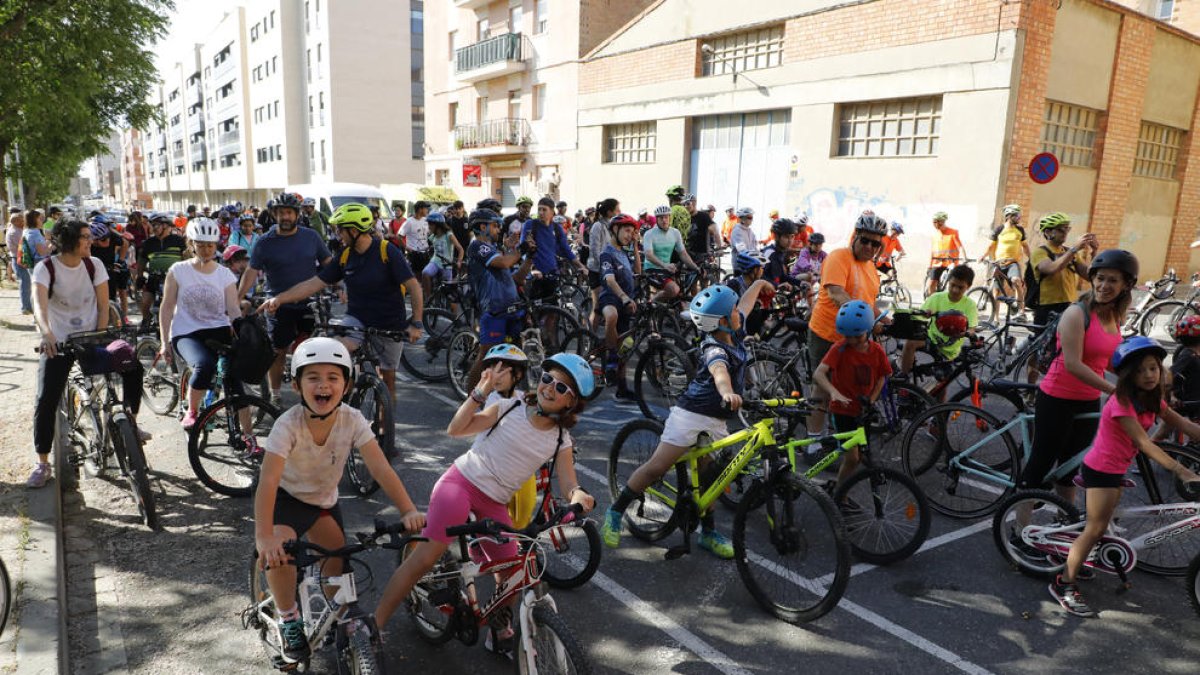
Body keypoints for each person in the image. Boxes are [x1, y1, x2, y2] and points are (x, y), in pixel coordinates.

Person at [373, 353, 596, 651]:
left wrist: (579, 497)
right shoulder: (510, 405)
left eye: (561, 387)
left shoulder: (560, 439)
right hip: (461, 484)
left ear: (571, 403)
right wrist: (482, 392)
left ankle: (498, 628)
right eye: (547, 379)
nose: (549, 388)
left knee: (512, 568)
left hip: (495, 502)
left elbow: (570, 484)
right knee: (425, 558)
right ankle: (374, 627)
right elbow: (455, 429)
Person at [255, 337, 425, 663]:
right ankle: (289, 617)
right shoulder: (287, 425)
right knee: (280, 555)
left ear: (346, 386)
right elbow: (268, 481)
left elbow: (381, 468)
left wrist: (407, 510)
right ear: (296, 384)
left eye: (333, 377)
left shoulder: (352, 419)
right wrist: (264, 536)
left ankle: (342, 618)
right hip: (286, 499)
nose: (323, 385)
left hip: (322, 500)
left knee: (337, 564)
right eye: (313, 377)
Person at [600, 282, 771, 558]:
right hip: (691, 416)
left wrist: (759, 284)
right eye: (734, 310)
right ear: (723, 321)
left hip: (716, 419)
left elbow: (747, 306)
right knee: (657, 467)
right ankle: (616, 510)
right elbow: (719, 373)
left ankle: (708, 532)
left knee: (709, 479)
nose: (740, 312)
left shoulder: (734, 333)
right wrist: (727, 391)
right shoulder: (714, 347)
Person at [1048, 337, 1200, 617]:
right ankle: (1064, 583)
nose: (1149, 375)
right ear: (1129, 375)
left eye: (1153, 368)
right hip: (1102, 470)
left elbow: (1185, 425)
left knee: (1103, 524)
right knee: (1095, 529)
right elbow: (1144, 443)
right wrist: (1182, 470)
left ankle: (1076, 553)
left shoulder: (1150, 399)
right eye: (1141, 370)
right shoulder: (1122, 403)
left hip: (1116, 469)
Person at [261, 203, 423, 401]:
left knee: (387, 380)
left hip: (389, 323)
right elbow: (313, 284)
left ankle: (384, 429)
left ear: (353, 230)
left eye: (340, 230)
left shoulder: (386, 251)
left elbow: (414, 287)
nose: (338, 234)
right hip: (356, 320)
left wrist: (416, 323)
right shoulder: (345, 255)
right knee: (335, 351)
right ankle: (341, 404)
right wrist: (279, 299)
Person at [27, 220, 146, 488]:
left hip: (91, 338)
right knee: (45, 398)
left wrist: (100, 336)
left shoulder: (94, 265)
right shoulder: (45, 268)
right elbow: (39, 306)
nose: (90, 241)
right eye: (84, 237)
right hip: (59, 343)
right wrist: (47, 334)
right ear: (68, 240)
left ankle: (130, 423)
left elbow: (103, 306)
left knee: (132, 365)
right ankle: (43, 462)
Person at [1017, 250, 1136, 506]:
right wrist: (1114, 390)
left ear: (1126, 285)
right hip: (1057, 398)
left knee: (1069, 471)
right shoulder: (1076, 313)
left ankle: (1065, 519)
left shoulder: (1114, 316)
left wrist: (1140, 378)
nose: (1104, 286)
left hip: (1089, 399)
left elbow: (1108, 360)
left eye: (1113, 280)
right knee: (1038, 467)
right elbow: (1073, 364)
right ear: (1092, 279)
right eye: (1100, 278)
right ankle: (1017, 529)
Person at [237, 192, 333, 407]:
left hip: (310, 302)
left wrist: (341, 284)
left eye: (289, 212)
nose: (285, 217)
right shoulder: (265, 242)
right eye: (281, 213)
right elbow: (251, 272)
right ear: (274, 214)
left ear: (297, 214)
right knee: (278, 350)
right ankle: (276, 393)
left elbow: (328, 262)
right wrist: (237, 298)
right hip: (277, 305)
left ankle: (308, 393)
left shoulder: (311, 237)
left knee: (311, 349)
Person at [157, 219, 247, 430]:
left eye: (211, 245)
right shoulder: (178, 270)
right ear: (191, 244)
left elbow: (233, 309)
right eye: (201, 244)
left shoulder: (224, 274)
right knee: (204, 364)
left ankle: (248, 437)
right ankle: (192, 411)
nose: (206, 250)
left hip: (219, 330)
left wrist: (244, 332)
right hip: (187, 333)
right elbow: (167, 306)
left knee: (236, 384)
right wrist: (164, 342)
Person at [805, 211, 885, 438]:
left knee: (843, 389)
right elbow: (836, 293)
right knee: (821, 387)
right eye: (865, 240)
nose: (870, 247)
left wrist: (885, 318)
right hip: (827, 332)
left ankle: (835, 435)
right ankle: (813, 440)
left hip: (853, 338)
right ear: (855, 236)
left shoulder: (871, 268)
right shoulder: (839, 257)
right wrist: (865, 319)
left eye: (875, 244)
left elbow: (869, 303)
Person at [812, 300, 892, 487]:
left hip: (862, 410)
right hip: (842, 412)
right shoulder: (839, 348)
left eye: (857, 336)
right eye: (847, 336)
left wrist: (872, 400)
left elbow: (883, 376)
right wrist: (833, 392)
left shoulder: (876, 351)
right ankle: (841, 492)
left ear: (868, 330)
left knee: (857, 455)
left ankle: (840, 489)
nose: (852, 341)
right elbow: (819, 373)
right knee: (852, 458)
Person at [465, 208, 534, 389]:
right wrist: (519, 250)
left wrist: (529, 258)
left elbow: (517, 278)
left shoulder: (494, 249)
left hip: (511, 309)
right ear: (482, 227)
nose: (499, 229)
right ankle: (470, 398)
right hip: (494, 311)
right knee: (486, 356)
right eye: (495, 226)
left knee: (513, 357)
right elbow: (504, 262)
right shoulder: (477, 246)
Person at [1026, 212, 1098, 382]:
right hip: (1046, 307)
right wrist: (1074, 250)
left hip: (1068, 306)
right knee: (1039, 349)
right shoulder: (1040, 252)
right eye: (1060, 230)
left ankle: (1054, 383)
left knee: (1064, 349)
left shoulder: (1069, 252)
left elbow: (1090, 276)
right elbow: (1050, 269)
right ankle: (1029, 389)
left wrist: (1095, 253)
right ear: (1048, 232)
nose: (1065, 233)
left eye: (1067, 229)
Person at [899, 264, 977, 379]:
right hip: (931, 340)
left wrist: (967, 333)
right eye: (952, 285)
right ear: (948, 281)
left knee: (941, 387)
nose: (955, 290)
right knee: (910, 342)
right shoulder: (936, 298)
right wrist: (925, 315)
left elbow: (972, 328)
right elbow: (918, 318)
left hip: (950, 351)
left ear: (968, 287)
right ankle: (903, 377)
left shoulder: (970, 305)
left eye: (960, 287)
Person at [598, 214, 643, 403]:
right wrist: (623, 297)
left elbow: (638, 273)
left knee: (627, 344)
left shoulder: (624, 253)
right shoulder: (606, 253)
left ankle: (622, 388)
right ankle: (610, 361)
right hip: (612, 297)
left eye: (632, 232)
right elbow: (609, 280)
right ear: (615, 230)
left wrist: (635, 247)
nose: (629, 234)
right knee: (611, 316)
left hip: (628, 300)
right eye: (626, 230)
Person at [642, 204, 700, 303]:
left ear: (670, 218)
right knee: (674, 290)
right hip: (652, 269)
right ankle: (651, 304)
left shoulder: (675, 233)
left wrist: (696, 268)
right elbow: (648, 255)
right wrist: (665, 265)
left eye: (666, 217)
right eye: (661, 218)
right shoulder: (649, 234)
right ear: (656, 219)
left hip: (667, 269)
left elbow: (683, 254)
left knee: (679, 297)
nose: (664, 220)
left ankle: (666, 313)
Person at [980, 204, 1030, 316]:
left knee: (1017, 281)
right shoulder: (1000, 229)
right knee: (996, 291)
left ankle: (1021, 311)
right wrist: (983, 256)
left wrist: (1031, 258)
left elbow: (1025, 246)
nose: (1019, 217)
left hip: (1012, 262)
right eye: (1016, 215)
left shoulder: (1020, 230)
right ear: (1009, 216)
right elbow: (990, 246)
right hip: (999, 263)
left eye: (1019, 215)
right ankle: (996, 317)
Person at [137, 212, 187, 318]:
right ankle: (146, 320)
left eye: (156, 225)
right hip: (154, 278)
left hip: (175, 279)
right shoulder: (148, 243)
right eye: (152, 225)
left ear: (165, 225)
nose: (153, 228)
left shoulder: (178, 240)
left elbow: (186, 258)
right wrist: (140, 276)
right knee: (145, 302)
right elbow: (142, 261)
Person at [87, 217, 132, 319]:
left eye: (108, 237)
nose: (107, 241)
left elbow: (125, 243)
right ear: (94, 241)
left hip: (109, 269)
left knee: (112, 299)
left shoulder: (111, 235)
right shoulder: (89, 244)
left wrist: (120, 260)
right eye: (103, 240)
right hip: (94, 272)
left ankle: (120, 323)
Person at [586, 198, 620, 330]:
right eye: (617, 209)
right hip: (597, 270)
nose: (619, 212)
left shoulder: (611, 226)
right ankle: (589, 338)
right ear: (610, 211)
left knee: (607, 305)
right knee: (597, 307)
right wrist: (605, 266)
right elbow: (595, 250)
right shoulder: (597, 226)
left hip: (608, 270)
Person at [925, 211, 965, 297]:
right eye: (934, 223)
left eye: (938, 223)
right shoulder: (935, 235)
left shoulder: (953, 232)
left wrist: (965, 258)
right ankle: (932, 301)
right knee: (931, 284)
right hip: (937, 263)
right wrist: (930, 266)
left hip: (950, 263)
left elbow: (960, 247)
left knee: (954, 283)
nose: (936, 225)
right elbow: (932, 252)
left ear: (942, 222)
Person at [422, 210, 463, 290]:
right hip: (435, 261)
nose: (429, 226)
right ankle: (428, 299)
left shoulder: (449, 235)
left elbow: (461, 249)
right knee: (425, 273)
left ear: (438, 225)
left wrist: (459, 261)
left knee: (448, 290)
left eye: (430, 224)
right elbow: (429, 247)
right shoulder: (433, 236)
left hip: (446, 264)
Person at [6, 210, 31, 314]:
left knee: (26, 283)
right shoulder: (14, 232)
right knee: (25, 283)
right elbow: (23, 246)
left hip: (19, 258)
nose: (23, 223)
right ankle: (25, 307)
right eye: (21, 221)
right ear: (15, 222)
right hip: (19, 259)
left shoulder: (18, 230)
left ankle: (27, 306)